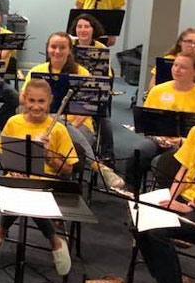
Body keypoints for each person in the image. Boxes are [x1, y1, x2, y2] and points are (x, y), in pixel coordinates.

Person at [0, 78, 78, 276]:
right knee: (21, 189)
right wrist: (13, 168)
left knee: (31, 194)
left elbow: (68, 170)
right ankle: (53, 239)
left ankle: (4, 228)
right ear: (24, 99)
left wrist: (48, 155)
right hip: (16, 179)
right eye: (31, 100)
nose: (36, 106)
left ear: (50, 101)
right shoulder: (14, 122)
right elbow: (3, 153)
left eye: (41, 101)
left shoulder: (58, 129)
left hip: (46, 183)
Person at [135, 95, 195, 283]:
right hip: (187, 200)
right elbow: (185, 170)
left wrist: (191, 206)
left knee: (157, 231)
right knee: (138, 219)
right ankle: (171, 281)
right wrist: (170, 198)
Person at [22, 33, 123, 188]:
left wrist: (67, 126)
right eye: (53, 47)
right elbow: (23, 99)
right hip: (44, 123)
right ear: (48, 48)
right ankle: (98, 166)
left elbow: (87, 108)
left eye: (62, 47)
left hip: (79, 126)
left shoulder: (81, 72)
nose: (57, 51)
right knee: (54, 120)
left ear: (69, 50)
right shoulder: (37, 71)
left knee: (59, 124)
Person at [124, 51, 195, 193]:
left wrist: (181, 141)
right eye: (175, 65)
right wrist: (158, 137)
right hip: (158, 140)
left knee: (164, 163)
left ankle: (166, 196)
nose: (177, 70)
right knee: (138, 152)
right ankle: (131, 191)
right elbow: (147, 122)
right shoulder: (158, 90)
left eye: (183, 67)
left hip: (186, 145)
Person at [68, 13, 115, 162]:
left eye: (86, 27)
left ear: (93, 29)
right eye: (79, 26)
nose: (82, 30)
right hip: (72, 89)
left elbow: (107, 75)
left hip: (93, 90)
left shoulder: (101, 48)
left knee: (104, 117)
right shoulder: (69, 45)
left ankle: (108, 154)